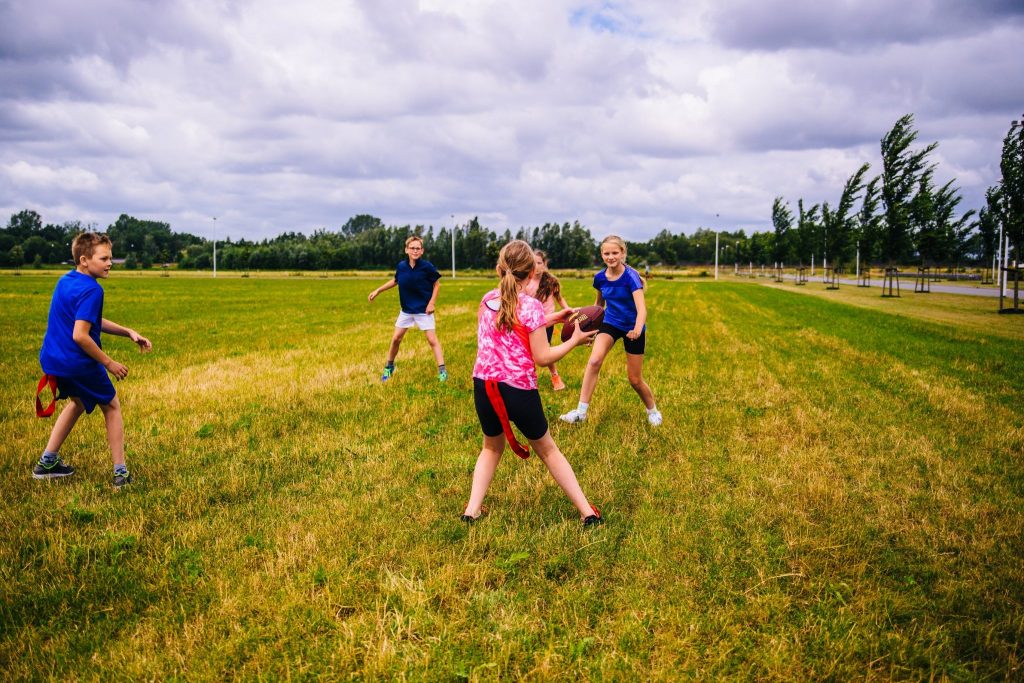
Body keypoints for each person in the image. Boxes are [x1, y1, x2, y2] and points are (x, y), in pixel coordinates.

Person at [462, 240, 602, 526]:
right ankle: (587, 511)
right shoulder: (531, 305)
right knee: (548, 450)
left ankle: (471, 510)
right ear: (531, 273)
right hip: (517, 390)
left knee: (490, 447)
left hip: (484, 385)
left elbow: (509, 319)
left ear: (500, 268)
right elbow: (542, 356)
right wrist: (575, 340)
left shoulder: (487, 299)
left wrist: (553, 317)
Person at [34, 232, 152, 487]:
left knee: (77, 402)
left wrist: (128, 332)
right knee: (111, 406)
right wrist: (109, 363)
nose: (110, 263)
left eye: (110, 258)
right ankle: (121, 473)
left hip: (53, 359)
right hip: (77, 362)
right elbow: (81, 335)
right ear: (85, 260)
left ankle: (47, 462)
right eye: (105, 258)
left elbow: (89, 320)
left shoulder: (65, 281)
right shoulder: (92, 290)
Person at [560, 235, 662, 426]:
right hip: (611, 322)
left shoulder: (631, 277)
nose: (611, 257)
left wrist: (638, 329)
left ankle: (653, 411)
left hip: (633, 327)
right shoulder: (599, 278)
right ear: (602, 254)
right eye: (606, 253)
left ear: (622, 253)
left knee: (634, 379)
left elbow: (642, 309)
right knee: (594, 360)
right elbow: (598, 306)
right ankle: (580, 413)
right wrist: (589, 328)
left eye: (615, 252)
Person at [368, 235, 447, 382]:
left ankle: (442, 371)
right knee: (396, 338)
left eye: (418, 248)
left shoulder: (427, 267)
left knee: (432, 340)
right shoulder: (401, 266)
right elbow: (395, 280)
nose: (415, 251)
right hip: (406, 310)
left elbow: (437, 285)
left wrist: (432, 303)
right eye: (412, 248)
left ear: (422, 251)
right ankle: (389, 367)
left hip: (424, 310)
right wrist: (378, 290)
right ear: (406, 250)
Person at [524, 250, 571, 391]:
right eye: (533, 263)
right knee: (527, 350)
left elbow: (559, 298)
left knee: (545, 350)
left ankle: (555, 377)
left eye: (539, 263)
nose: (536, 266)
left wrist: (568, 310)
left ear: (545, 264)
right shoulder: (526, 281)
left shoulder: (551, 281)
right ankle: (528, 376)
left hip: (548, 321)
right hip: (531, 321)